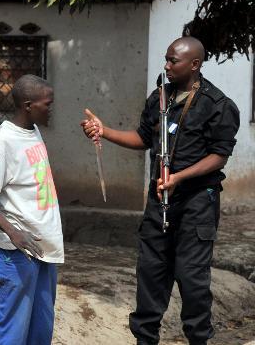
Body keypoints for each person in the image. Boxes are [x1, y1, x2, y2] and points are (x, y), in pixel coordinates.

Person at [81, 36, 240, 345]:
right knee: (151, 276)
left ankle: (198, 339)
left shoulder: (218, 106)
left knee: (192, 280)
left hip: (197, 204)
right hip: (159, 202)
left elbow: (219, 155)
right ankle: (145, 339)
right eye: (166, 60)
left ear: (194, 64)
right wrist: (105, 131)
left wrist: (179, 177)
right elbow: (143, 138)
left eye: (173, 61)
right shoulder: (159, 99)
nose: (167, 66)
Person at [0, 74, 64, 345]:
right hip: (19, 253)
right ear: (27, 105)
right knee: (11, 332)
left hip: (44, 250)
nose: (51, 109)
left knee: (40, 330)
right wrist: (12, 231)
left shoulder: (32, 131)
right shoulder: (3, 143)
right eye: (47, 104)